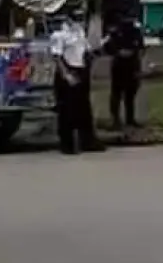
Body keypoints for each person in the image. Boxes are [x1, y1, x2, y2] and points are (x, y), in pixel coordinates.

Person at [48, 10, 105, 155]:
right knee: (67, 111)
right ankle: (67, 144)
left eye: (81, 18)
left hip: (81, 70)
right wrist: (66, 74)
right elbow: (57, 57)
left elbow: (86, 51)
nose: (79, 21)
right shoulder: (59, 35)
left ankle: (87, 141)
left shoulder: (80, 32)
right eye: (76, 18)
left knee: (84, 108)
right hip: (67, 71)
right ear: (68, 19)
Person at [105, 15, 145, 129]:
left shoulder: (136, 32)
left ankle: (130, 119)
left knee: (131, 94)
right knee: (116, 93)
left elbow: (142, 47)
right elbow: (108, 47)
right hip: (119, 66)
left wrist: (136, 57)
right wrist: (118, 52)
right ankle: (115, 120)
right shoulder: (115, 32)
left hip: (133, 65)